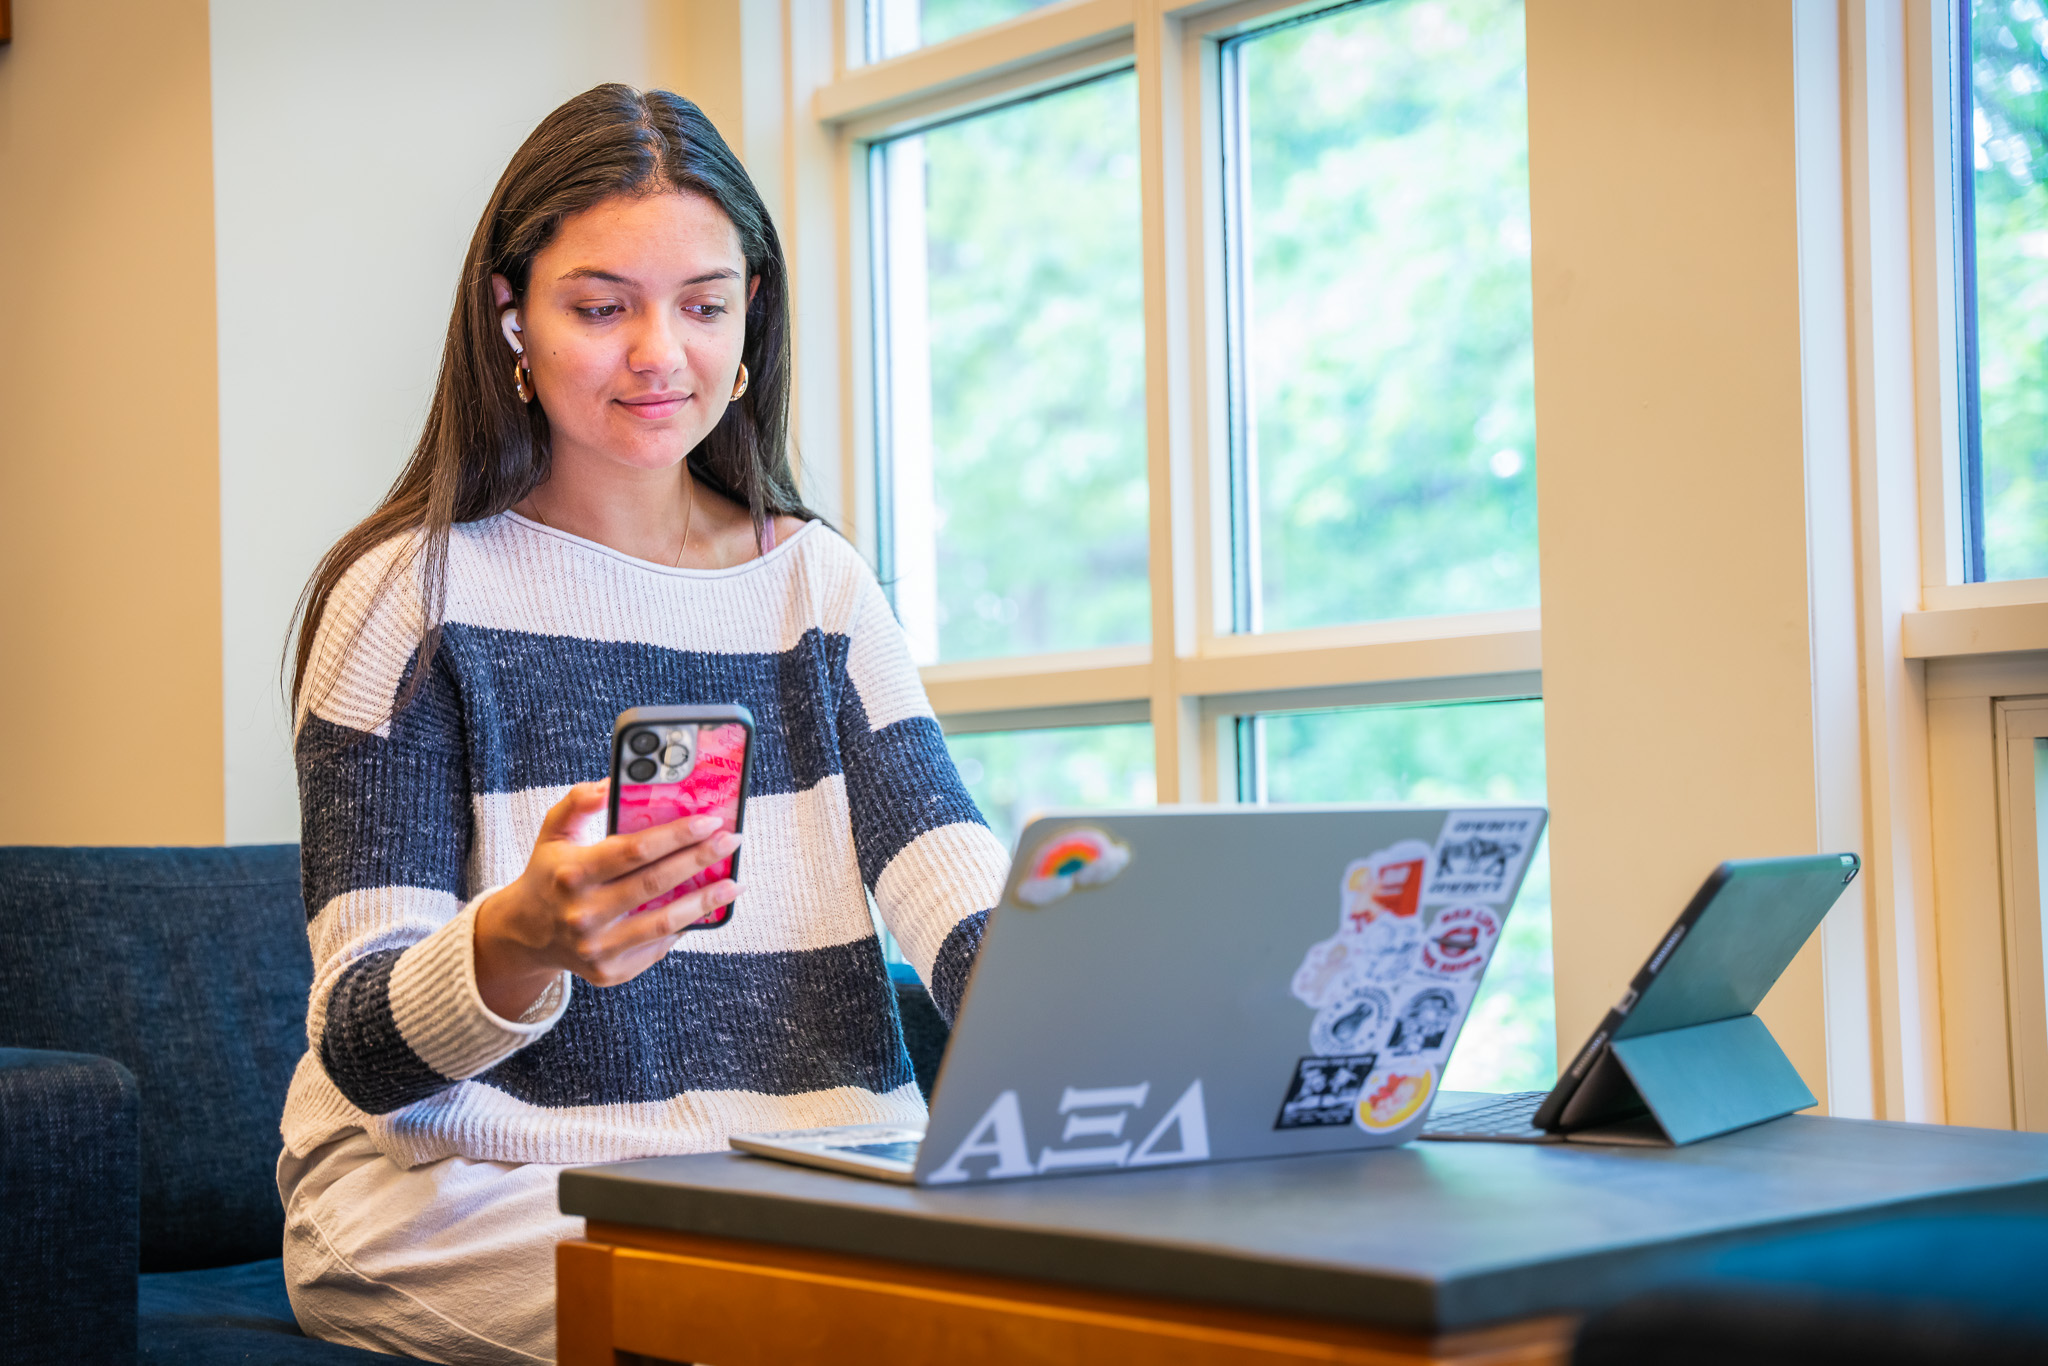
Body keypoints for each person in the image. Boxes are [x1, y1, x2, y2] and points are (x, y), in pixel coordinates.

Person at [278, 84, 1006, 1365]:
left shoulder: (816, 584)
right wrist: (519, 940)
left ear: (751, 315)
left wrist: (1078, 996)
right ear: (509, 312)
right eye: (601, 306)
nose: (660, 354)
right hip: (464, 1189)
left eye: (704, 305)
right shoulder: (409, 594)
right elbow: (362, 1047)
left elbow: (949, 877)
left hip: (789, 1172)